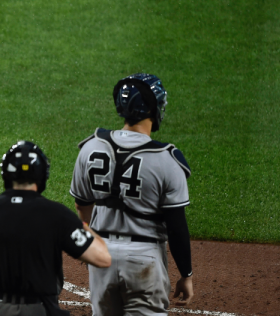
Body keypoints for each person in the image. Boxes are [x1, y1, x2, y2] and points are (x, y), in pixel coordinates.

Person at [0, 141, 111, 316]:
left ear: (6, 174)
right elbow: (102, 258)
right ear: (42, 175)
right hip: (41, 310)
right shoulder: (57, 215)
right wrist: (79, 225)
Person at [69, 73, 195, 315]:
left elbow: (82, 206)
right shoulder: (167, 159)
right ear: (153, 108)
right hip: (144, 260)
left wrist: (90, 244)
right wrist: (186, 274)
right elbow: (176, 226)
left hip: (101, 255)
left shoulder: (90, 147)